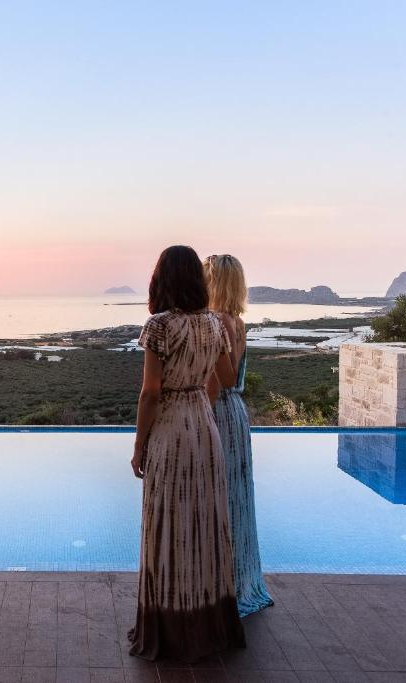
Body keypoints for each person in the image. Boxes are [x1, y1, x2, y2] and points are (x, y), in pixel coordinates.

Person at [128, 245, 246, 662]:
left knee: (167, 524)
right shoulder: (213, 323)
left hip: (172, 427)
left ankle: (170, 624)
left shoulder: (158, 326)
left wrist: (140, 443)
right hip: (205, 425)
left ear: (162, 279)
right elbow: (228, 376)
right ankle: (207, 620)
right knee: (205, 523)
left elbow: (150, 392)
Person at [204, 254, 274, 617]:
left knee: (221, 497)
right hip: (237, 413)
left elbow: (223, 379)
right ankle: (238, 579)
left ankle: (222, 587)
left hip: (219, 412)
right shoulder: (238, 320)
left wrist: (199, 414)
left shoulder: (217, 322)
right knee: (236, 496)